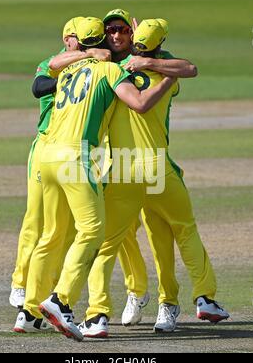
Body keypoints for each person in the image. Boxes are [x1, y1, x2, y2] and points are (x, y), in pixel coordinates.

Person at [14, 17, 177, 341]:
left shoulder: (68, 69)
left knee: (51, 233)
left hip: (46, 156)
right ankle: (61, 300)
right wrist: (165, 79)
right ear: (102, 43)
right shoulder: (110, 70)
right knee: (93, 231)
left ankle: (29, 312)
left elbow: (45, 74)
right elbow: (140, 103)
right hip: (76, 157)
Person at [78, 18, 229, 338]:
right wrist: (151, 59)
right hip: (152, 169)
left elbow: (188, 67)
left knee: (125, 243)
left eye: (123, 30)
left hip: (124, 169)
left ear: (133, 36)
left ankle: (114, 313)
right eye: (111, 30)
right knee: (174, 233)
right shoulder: (158, 70)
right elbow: (188, 69)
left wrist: (146, 60)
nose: (116, 35)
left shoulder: (118, 69)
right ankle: (196, 297)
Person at [9, 17, 111, 314]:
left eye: (84, 39)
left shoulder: (94, 61)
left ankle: (45, 294)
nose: (78, 42)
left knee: (66, 229)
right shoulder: (55, 62)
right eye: (74, 38)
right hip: (46, 145)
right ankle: (20, 282)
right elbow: (39, 86)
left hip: (73, 149)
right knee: (35, 219)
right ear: (67, 39)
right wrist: (84, 64)